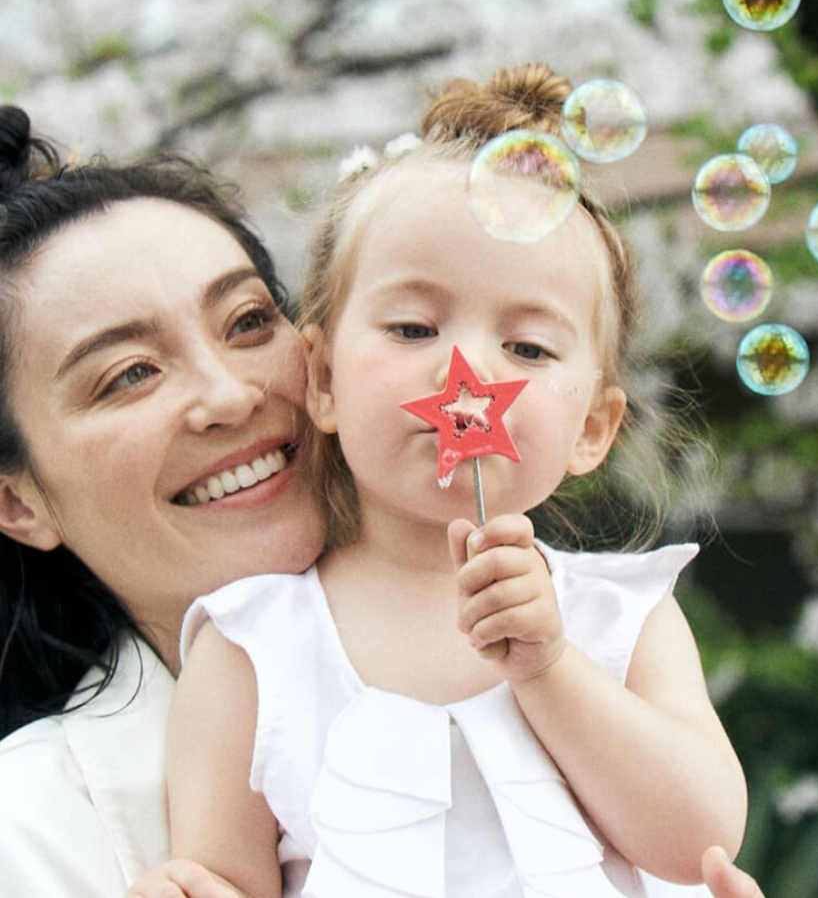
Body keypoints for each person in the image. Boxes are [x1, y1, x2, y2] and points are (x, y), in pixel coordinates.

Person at [130, 63, 748, 898]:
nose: (467, 372)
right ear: (320, 380)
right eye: (414, 326)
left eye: (529, 348)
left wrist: (550, 667)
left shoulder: (622, 618)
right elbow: (224, 875)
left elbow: (701, 842)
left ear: (593, 429)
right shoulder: (254, 648)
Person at [0, 105, 327, 895]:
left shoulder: (580, 655)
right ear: (18, 504)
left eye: (249, 321)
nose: (228, 395)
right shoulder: (25, 836)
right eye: (129, 374)